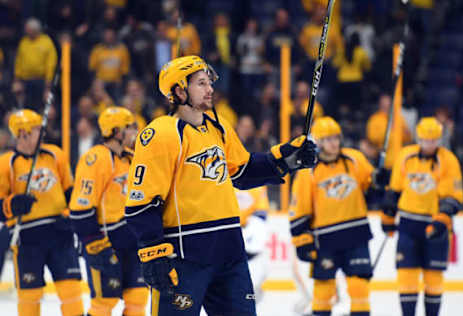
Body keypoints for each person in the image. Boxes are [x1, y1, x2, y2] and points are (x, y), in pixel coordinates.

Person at [124, 55, 317, 315]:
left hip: (229, 252)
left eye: (209, 83)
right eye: (201, 83)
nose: (210, 89)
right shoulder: (161, 133)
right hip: (184, 257)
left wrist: (284, 159)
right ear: (180, 91)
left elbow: (243, 171)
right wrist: (152, 252)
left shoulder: (218, 128)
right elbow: (141, 201)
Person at [290, 117, 385, 316]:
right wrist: (301, 240)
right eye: (328, 139)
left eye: (336, 138)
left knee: (359, 289)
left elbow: (372, 190)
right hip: (325, 240)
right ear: (318, 142)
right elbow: (300, 209)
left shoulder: (354, 159)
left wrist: (380, 181)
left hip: (356, 235)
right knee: (323, 293)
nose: (334, 143)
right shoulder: (308, 171)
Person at [0, 109, 83, 316]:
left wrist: (68, 214)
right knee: (30, 297)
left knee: (71, 291)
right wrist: (13, 204)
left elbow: (72, 193)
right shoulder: (6, 163)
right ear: (23, 133)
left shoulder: (56, 154)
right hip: (27, 238)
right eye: (38, 129)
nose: (42, 133)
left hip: (60, 234)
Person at [381, 117, 463, 316]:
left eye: (433, 140)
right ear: (418, 138)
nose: (429, 144)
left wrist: (442, 220)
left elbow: (453, 196)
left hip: (436, 223)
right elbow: (394, 190)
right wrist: (388, 216)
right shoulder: (405, 156)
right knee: (406, 276)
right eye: (426, 140)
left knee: (433, 279)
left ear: (439, 139)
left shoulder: (448, 160)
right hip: (409, 224)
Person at [69, 107, 147, 316]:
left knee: (138, 299)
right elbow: (80, 208)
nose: (135, 132)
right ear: (117, 131)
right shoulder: (95, 159)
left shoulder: (132, 158)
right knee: (105, 301)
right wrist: (94, 244)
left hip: (132, 241)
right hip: (105, 242)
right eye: (131, 127)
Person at [235, 185, 269, 302]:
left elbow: (261, 215)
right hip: (226, 240)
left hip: (248, 242)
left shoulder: (257, 185)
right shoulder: (219, 182)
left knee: (252, 288)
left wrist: (247, 236)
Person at [14, 18, 58, 108]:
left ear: (35, 30)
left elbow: (51, 63)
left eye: (28, 30)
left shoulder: (47, 42)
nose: (26, 31)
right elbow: (18, 61)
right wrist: (16, 79)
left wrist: (48, 82)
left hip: (41, 81)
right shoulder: (24, 42)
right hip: (25, 81)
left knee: (40, 105)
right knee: (25, 105)